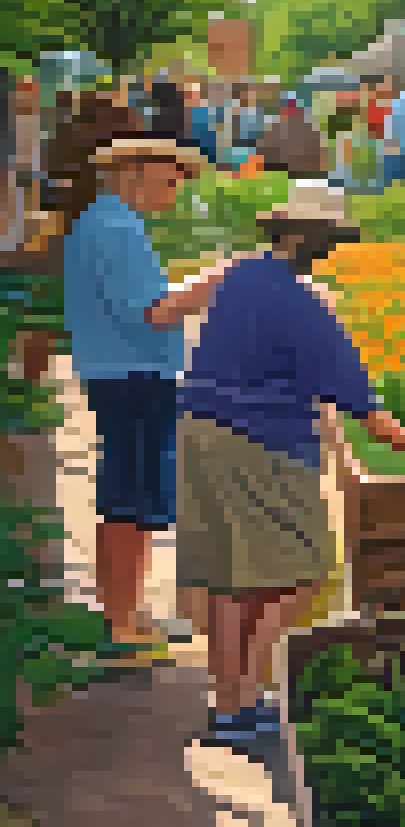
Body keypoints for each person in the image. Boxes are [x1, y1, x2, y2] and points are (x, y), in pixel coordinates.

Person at [174, 182, 405, 749]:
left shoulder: (242, 273)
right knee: (303, 573)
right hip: (261, 443)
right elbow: (363, 407)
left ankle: (230, 705)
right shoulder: (307, 307)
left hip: (200, 430)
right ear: (320, 242)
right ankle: (249, 695)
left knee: (228, 579)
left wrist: (341, 454)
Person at [61, 136, 219, 655]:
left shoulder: (99, 224)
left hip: (117, 372)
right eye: (170, 176)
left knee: (126, 498)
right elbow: (151, 313)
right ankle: (123, 626)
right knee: (135, 503)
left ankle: (121, 614)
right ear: (135, 173)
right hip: (136, 376)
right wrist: (213, 284)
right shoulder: (118, 229)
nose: (176, 187)